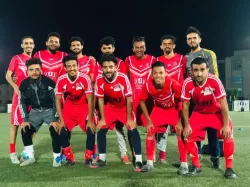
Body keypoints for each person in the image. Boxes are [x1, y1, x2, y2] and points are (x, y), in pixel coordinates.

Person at [181, 57, 236, 179]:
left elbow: (224, 104)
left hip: (216, 113)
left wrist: (226, 125)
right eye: (195, 70)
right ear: (192, 71)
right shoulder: (187, 82)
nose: (199, 73)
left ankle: (229, 168)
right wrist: (186, 125)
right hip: (199, 113)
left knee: (228, 134)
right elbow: (185, 106)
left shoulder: (214, 80)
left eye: (202, 70)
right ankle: (196, 166)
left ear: (207, 70)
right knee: (187, 135)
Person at [18, 58, 75, 167]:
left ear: (41, 70)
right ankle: (30, 157)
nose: (34, 72)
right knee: (25, 129)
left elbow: (56, 101)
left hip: (50, 110)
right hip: (35, 112)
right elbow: (22, 102)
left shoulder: (48, 82)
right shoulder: (24, 84)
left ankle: (57, 158)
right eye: (31, 70)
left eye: (37, 69)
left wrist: (54, 119)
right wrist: (25, 120)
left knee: (56, 129)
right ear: (27, 71)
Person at [91, 54, 143, 171]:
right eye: (105, 67)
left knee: (133, 130)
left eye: (110, 67)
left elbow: (129, 99)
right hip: (110, 108)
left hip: (124, 108)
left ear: (116, 67)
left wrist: (129, 119)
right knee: (101, 131)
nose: (108, 70)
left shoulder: (123, 78)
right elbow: (100, 99)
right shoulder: (99, 79)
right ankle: (102, 159)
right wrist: (102, 118)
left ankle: (138, 160)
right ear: (102, 68)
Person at [139, 61, 186, 174]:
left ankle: (184, 164)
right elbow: (141, 101)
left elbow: (184, 101)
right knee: (150, 131)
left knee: (180, 132)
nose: (158, 75)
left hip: (173, 109)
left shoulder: (173, 83)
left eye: (161, 72)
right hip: (159, 109)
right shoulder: (147, 84)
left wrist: (180, 121)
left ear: (166, 73)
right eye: (155, 73)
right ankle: (149, 163)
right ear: (151, 73)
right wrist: (149, 120)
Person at [185, 26, 221, 166]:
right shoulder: (186, 58)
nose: (192, 40)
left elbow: (215, 74)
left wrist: (213, 94)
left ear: (199, 39)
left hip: (209, 97)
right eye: (189, 38)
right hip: (193, 98)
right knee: (195, 128)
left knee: (213, 128)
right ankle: (197, 154)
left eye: (194, 37)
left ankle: (215, 156)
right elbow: (186, 77)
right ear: (187, 41)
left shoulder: (209, 54)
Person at [94, 36, 130, 164]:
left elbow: (123, 82)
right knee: (100, 128)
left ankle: (124, 154)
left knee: (120, 129)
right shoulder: (97, 64)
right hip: (103, 102)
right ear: (101, 49)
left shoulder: (120, 63)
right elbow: (95, 83)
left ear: (113, 48)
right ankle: (99, 155)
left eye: (109, 48)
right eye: (104, 48)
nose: (107, 50)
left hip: (118, 102)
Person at [55, 55, 95, 166]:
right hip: (69, 109)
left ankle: (89, 156)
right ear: (65, 68)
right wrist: (61, 119)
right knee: (61, 130)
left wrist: (91, 119)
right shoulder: (61, 79)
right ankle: (69, 157)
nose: (72, 68)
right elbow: (58, 100)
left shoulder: (85, 78)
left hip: (83, 108)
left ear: (78, 66)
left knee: (91, 129)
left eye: (74, 65)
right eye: (69, 66)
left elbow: (90, 100)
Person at [124, 36, 157, 162]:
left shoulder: (153, 59)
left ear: (145, 47)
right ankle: (134, 153)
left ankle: (151, 153)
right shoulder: (128, 60)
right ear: (133, 48)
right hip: (133, 100)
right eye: (137, 47)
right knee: (131, 127)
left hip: (149, 100)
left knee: (151, 127)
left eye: (142, 47)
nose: (139, 49)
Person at [156, 34, 187, 162]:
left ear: (174, 45)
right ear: (161, 46)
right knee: (161, 130)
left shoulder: (181, 59)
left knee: (180, 130)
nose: (167, 46)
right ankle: (162, 156)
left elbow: (185, 75)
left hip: (178, 100)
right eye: (165, 44)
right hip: (162, 100)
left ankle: (184, 159)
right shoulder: (157, 60)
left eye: (170, 44)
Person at [5, 36, 35, 164]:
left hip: (33, 97)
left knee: (32, 126)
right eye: (26, 43)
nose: (29, 45)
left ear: (34, 45)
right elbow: (8, 75)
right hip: (20, 97)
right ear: (22, 45)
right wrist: (16, 87)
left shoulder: (35, 61)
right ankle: (12, 153)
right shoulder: (16, 58)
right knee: (15, 125)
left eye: (31, 43)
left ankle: (26, 152)